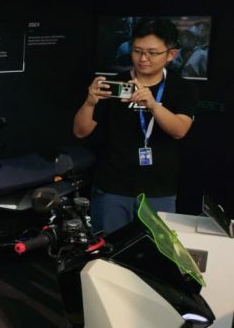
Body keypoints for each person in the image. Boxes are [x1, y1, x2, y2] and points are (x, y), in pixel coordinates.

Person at [73, 17, 195, 233]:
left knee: (157, 250)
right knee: (109, 247)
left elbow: (179, 130)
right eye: (137, 51)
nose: (143, 58)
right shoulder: (115, 84)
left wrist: (153, 105)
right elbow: (81, 132)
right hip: (112, 187)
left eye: (152, 53)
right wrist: (90, 102)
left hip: (159, 189)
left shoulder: (180, 88)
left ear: (171, 54)